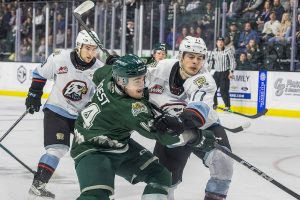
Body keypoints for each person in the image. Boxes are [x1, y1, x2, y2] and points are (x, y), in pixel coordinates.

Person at [70, 54, 214, 200]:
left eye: (143, 78)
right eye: (136, 80)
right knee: (96, 195)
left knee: (160, 175)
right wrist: (198, 137)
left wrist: (115, 64)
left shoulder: (109, 75)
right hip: (91, 147)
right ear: (121, 80)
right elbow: (165, 136)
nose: (142, 84)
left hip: (117, 143)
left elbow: (98, 74)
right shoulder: (132, 109)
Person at [147, 36, 233, 200]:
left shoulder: (205, 79)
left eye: (199, 58)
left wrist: (178, 120)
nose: (195, 62)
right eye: (191, 57)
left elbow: (197, 111)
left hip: (204, 126)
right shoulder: (163, 67)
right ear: (181, 56)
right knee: (165, 180)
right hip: (173, 128)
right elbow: (138, 80)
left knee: (224, 164)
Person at [25, 30, 104, 199]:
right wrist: (34, 94)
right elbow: (40, 73)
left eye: (94, 49)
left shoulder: (99, 69)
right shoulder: (60, 58)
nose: (91, 53)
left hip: (81, 116)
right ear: (79, 46)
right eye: (87, 48)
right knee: (57, 149)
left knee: (93, 150)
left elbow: (101, 96)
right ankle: (38, 186)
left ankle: (96, 189)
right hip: (57, 110)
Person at [208, 36, 236, 111]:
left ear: (223, 43)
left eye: (221, 42)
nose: (220, 43)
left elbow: (232, 61)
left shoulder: (228, 51)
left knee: (224, 90)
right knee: (213, 89)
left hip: (225, 73)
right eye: (219, 41)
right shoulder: (214, 51)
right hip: (216, 73)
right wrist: (207, 71)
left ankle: (227, 106)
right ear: (216, 43)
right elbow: (210, 62)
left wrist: (231, 72)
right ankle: (215, 104)